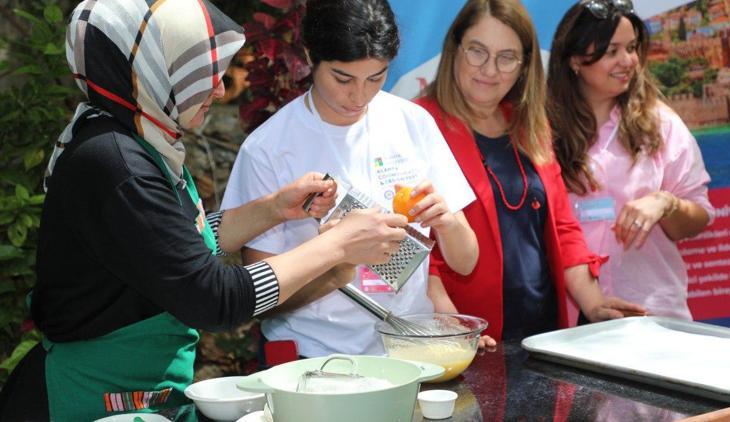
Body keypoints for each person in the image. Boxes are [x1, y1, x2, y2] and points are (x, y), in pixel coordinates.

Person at [0, 1, 409, 420]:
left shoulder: (135, 139)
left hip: (135, 393)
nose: (219, 90)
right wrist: (338, 247)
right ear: (154, 70)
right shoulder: (118, 163)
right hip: (89, 397)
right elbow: (213, 298)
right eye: (202, 75)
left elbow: (172, 250)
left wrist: (273, 210)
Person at [221, 0, 479, 358]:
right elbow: (260, 299)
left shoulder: (411, 122)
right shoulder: (269, 147)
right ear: (311, 56)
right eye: (343, 79)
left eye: (376, 77)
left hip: (410, 351)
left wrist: (448, 225)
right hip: (315, 358)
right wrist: (336, 260)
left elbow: (466, 261)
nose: (360, 96)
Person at [414, 0, 645, 342]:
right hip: (465, 336)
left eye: (506, 57)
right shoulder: (417, 123)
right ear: (455, 50)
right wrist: (446, 319)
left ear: (524, 66)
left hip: (544, 334)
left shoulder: (530, 124)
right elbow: (411, 242)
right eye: (477, 51)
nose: (490, 70)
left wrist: (594, 305)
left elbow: (563, 227)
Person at [546, 0, 714, 320]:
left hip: (650, 315)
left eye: (632, 48)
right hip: (564, 322)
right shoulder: (539, 131)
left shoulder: (660, 124)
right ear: (574, 60)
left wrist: (666, 203)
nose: (628, 61)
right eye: (612, 51)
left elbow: (699, 216)